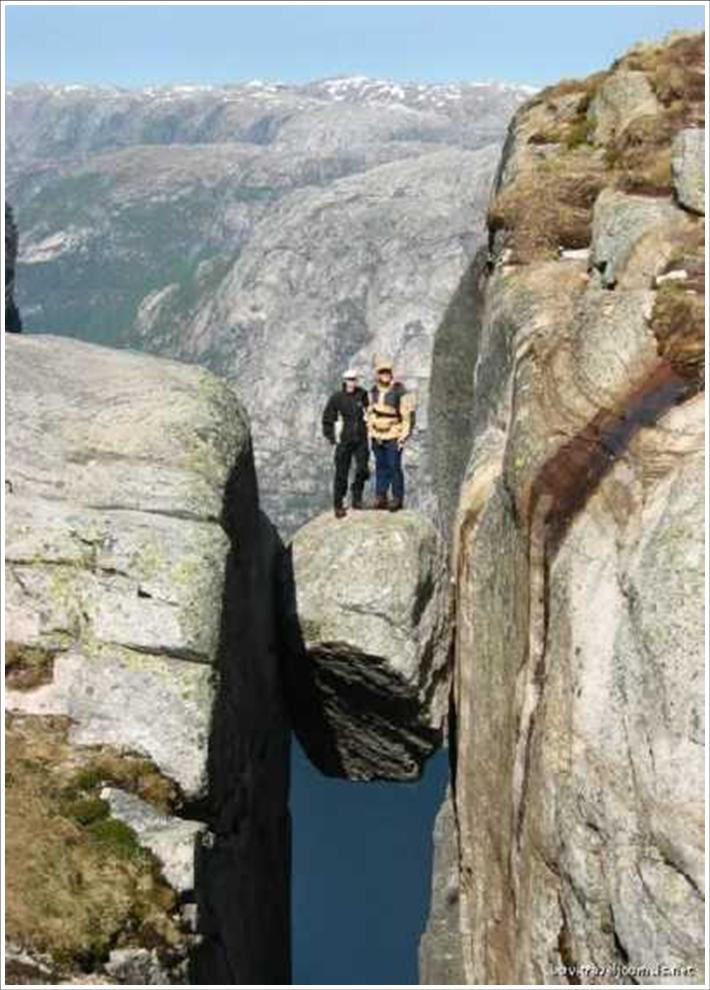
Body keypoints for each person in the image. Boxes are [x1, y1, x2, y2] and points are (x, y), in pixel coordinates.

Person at [367, 355, 415, 512]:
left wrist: (404, 435)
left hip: (393, 433)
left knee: (394, 466)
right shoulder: (373, 391)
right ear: (378, 374)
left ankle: (397, 498)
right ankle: (381, 496)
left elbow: (407, 416)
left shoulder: (399, 391)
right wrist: (370, 429)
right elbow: (369, 412)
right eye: (382, 372)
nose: (385, 375)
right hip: (377, 435)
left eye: (387, 372)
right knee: (380, 466)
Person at [322, 369, 370, 518]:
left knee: (362, 469)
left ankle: (357, 498)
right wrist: (331, 437)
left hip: (361, 439)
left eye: (354, 379)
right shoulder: (337, 398)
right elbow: (328, 418)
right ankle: (338, 504)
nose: (351, 382)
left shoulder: (363, 394)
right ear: (344, 381)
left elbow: (370, 412)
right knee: (341, 472)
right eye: (349, 379)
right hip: (344, 440)